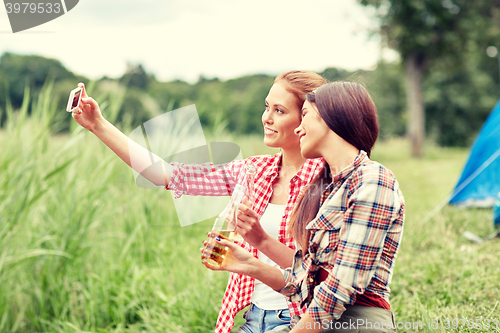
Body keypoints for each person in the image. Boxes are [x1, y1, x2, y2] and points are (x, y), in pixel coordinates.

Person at [71, 71, 327, 333]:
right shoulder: (255, 171)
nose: (267, 117)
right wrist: (98, 125)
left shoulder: (328, 182)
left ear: (305, 119)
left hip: (299, 320)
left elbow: (320, 275)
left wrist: (260, 239)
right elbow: (167, 175)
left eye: (279, 110)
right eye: (266, 106)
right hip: (251, 317)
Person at [204, 82, 405, 333]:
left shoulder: (373, 181)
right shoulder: (330, 189)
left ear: (332, 117)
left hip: (354, 323)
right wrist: (250, 264)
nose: (298, 128)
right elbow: (307, 282)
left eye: (306, 116)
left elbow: (341, 287)